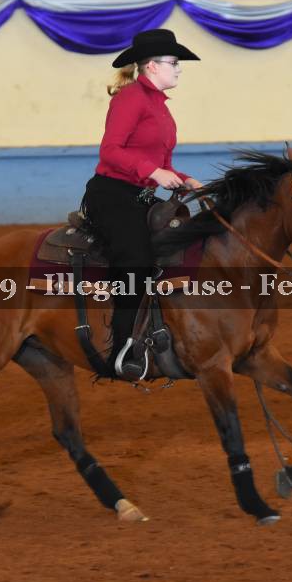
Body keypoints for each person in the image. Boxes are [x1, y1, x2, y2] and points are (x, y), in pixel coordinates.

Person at [80, 29, 203, 380]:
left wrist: (185, 178)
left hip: (141, 197)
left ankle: (163, 331)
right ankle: (122, 352)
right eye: (173, 62)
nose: (178, 68)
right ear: (151, 66)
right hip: (111, 196)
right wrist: (153, 171)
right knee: (135, 261)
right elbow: (110, 151)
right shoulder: (130, 99)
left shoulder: (160, 106)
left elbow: (159, 161)